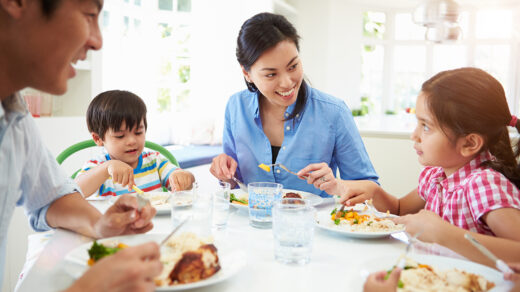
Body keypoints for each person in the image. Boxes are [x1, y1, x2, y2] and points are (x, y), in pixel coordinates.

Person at [0, 0, 162, 290]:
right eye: (89, 14)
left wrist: (100, 225)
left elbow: (51, 198)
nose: (98, 41)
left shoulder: (15, 113)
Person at [311, 67, 520, 242]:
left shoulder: (483, 185)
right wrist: (373, 191)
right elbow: (400, 209)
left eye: (426, 127)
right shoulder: (436, 176)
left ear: (469, 143)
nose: (414, 135)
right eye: (417, 123)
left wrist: (445, 235)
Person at [209, 12, 378, 197]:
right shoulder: (236, 107)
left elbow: (372, 190)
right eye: (271, 74)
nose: (287, 83)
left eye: (293, 66)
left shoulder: (334, 113)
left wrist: (337, 185)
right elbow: (234, 183)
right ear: (247, 73)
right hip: (251, 223)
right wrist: (224, 173)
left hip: (312, 224)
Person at [75, 90, 195, 198]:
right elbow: (75, 191)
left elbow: (187, 184)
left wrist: (184, 177)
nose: (132, 141)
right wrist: (106, 168)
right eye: (120, 136)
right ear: (98, 138)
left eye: (138, 132)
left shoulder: (155, 161)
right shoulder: (97, 166)